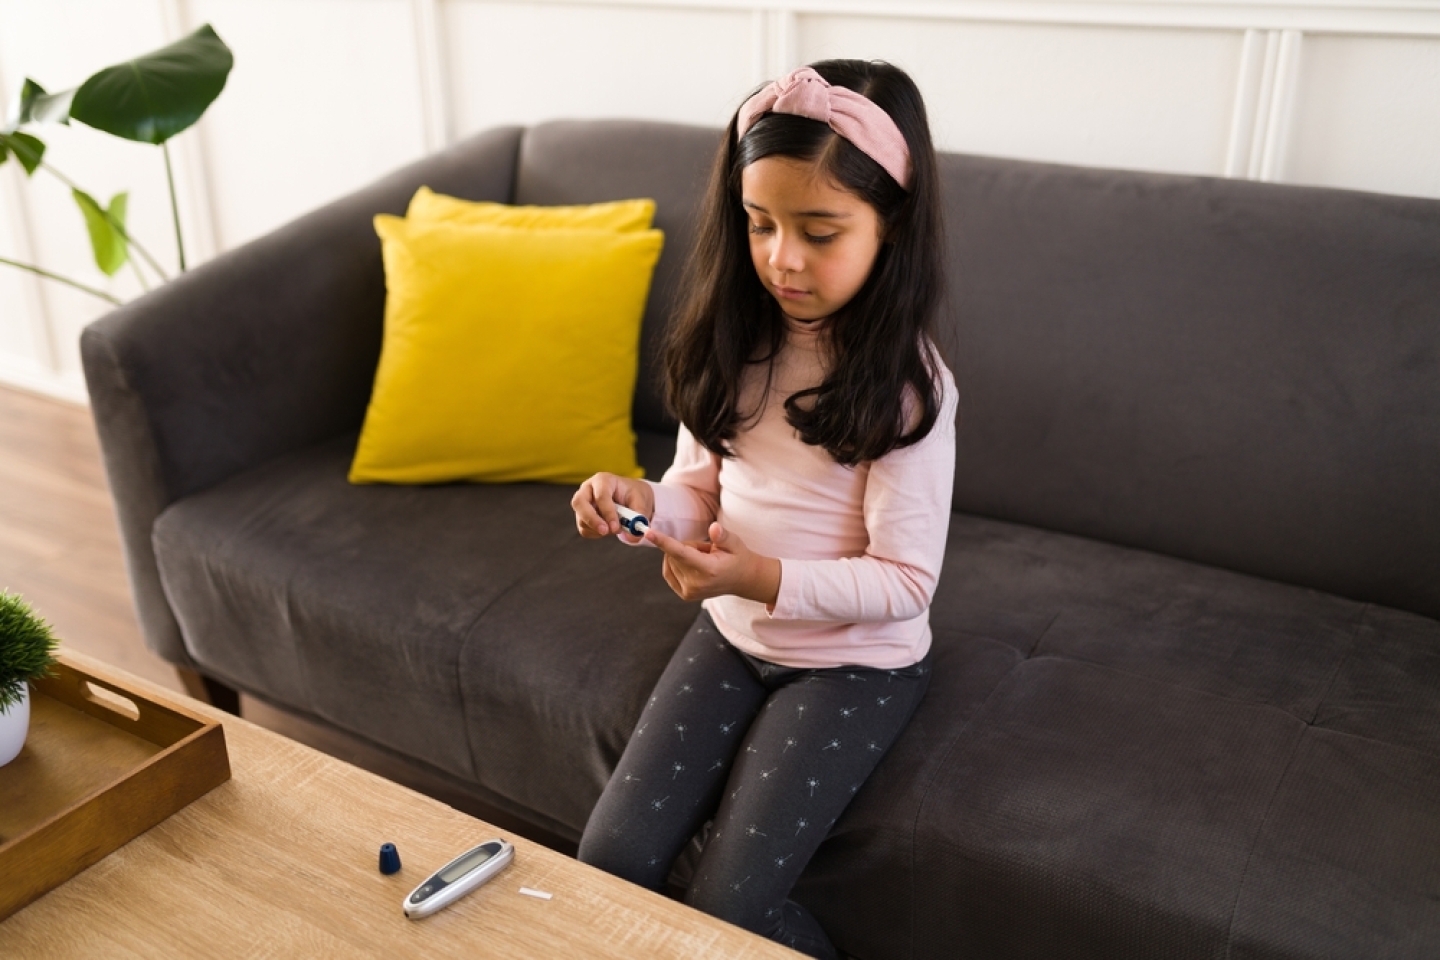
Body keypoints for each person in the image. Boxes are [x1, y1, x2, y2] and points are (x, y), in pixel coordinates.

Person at [569, 59, 956, 959]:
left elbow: (906, 581)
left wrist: (755, 575)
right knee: (608, 859)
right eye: (761, 224)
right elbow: (698, 490)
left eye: (821, 232)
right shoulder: (732, 339)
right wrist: (643, 503)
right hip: (734, 635)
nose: (783, 257)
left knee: (728, 912)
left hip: (858, 665)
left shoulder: (911, 390)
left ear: (889, 227)